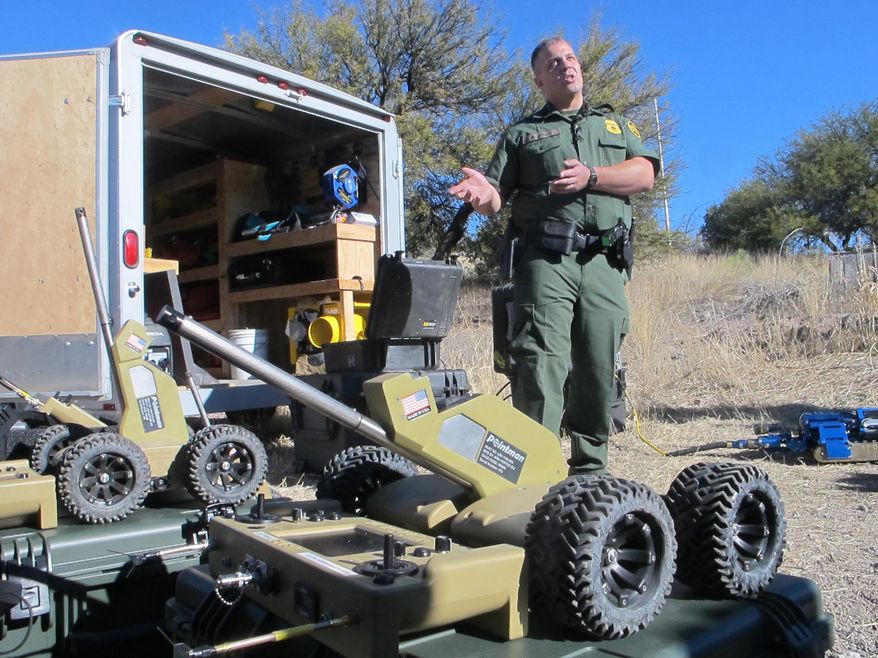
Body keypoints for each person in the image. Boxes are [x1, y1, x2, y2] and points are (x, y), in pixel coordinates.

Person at [448, 36, 658, 474]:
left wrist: (592, 176)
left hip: (603, 262)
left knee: (599, 364)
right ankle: (535, 473)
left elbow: (644, 175)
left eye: (571, 58)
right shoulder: (522, 134)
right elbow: (495, 198)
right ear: (539, 79)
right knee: (541, 362)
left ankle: (589, 468)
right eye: (553, 62)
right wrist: (482, 194)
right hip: (545, 262)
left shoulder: (614, 124)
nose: (566, 65)